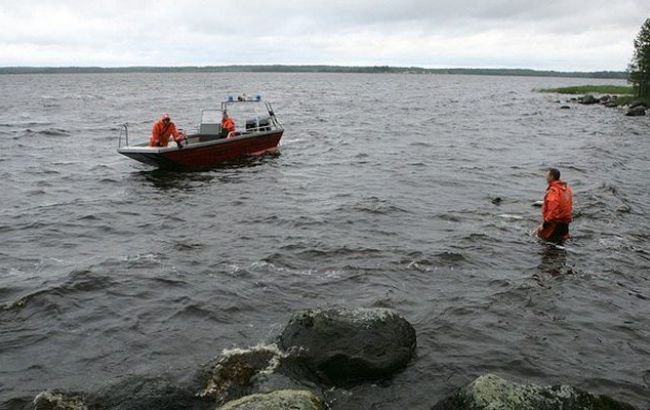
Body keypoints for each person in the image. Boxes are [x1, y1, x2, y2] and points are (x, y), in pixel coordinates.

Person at [536, 168, 573, 242]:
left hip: (554, 225)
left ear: (551, 177)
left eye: (547, 175)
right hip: (565, 224)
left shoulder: (553, 191)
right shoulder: (566, 189)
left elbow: (553, 213)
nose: (545, 177)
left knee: (547, 247)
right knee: (561, 245)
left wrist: (543, 225)